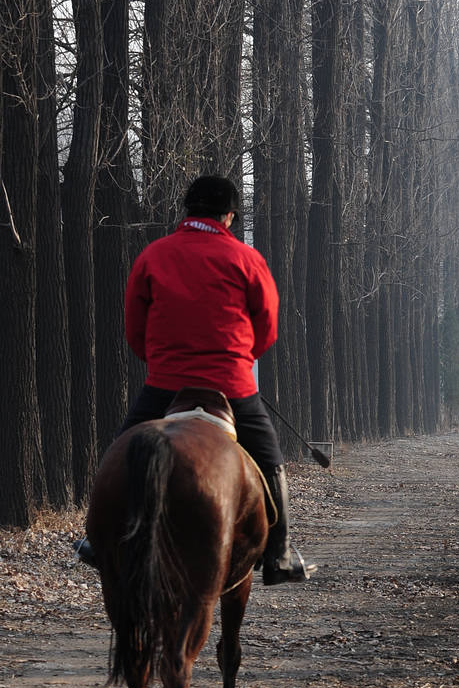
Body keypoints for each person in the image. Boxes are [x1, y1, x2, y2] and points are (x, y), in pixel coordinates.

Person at [76, 175, 312, 586]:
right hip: (232, 386)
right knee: (270, 456)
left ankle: (98, 540)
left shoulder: (153, 256)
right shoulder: (247, 259)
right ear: (229, 215)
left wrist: (160, 361)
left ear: (188, 210)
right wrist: (241, 358)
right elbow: (268, 326)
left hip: (167, 384)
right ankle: (279, 554)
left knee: (121, 446)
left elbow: (134, 327)